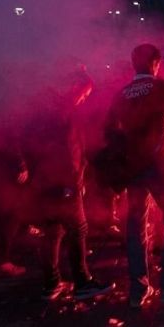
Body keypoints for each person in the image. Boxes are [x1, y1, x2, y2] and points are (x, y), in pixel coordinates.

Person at [105, 44, 164, 308]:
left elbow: (109, 131)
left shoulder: (121, 94)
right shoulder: (162, 87)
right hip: (160, 165)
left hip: (132, 167)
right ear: (156, 63)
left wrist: (127, 151)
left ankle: (138, 289)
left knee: (135, 225)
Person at [20, 69, 112, 301]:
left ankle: (51, 284)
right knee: (78, 230)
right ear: (73, 87)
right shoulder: (65, 113)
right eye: (83, 94)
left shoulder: (41, 108)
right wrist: (75, 181)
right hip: (63, 183)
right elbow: (69, 152)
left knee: (52, 232)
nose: (84, 99)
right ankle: (83, 282)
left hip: (44, 182)